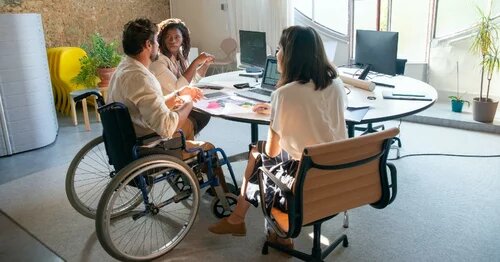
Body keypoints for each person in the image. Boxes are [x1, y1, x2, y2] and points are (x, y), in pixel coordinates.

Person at [208, 26, 348, 248]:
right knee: (264, 153)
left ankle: (265, 227)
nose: (276, 54)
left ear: (291, 55)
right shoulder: (336, 83)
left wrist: (278, 112)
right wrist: (279, 112)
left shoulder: (284, 94)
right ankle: (247, 222)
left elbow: (272, 152)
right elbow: (321, 118)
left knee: (257, 154)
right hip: (339, 168)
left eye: (279, 48)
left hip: (307, 174)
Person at [107, 18, 228, 190]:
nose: (159, 45)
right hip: (149, 146)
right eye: (157, 40)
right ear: (148, 45)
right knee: (210, 148)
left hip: (127, 139)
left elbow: (145, 104)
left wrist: (177, 94)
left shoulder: (124, 68)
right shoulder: (141, 78)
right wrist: (188, 103)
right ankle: (223, 197)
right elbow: (166, 127)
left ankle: (192, 177)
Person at [149, 18, 214, 140]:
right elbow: (179, 88)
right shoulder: (159, 61)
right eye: (168, 37)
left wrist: (204, 65)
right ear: (161, 39)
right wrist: (195, 62)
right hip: (166, 109)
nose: (172, 40)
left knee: (204, 112)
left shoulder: (178, 57)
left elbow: (191, 80)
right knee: (201, 114)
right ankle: (182, 140)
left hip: (176, 104)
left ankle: (185, 140)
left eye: (177, 37)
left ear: (183, 39)